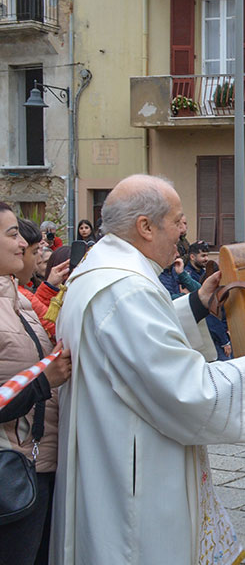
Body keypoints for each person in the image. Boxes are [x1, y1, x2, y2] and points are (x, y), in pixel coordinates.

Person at [51, 174, 245, 565]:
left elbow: (139, 347)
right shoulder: (125, 289)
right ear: (145, 227)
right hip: (135, 475)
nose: (185, 230)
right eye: (178, 220)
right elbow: (179, 387)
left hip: (109, 451)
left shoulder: (103, 269)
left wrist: (196, 303)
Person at [0, 202, 72, 565]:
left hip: (38, 464)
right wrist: (44, 383)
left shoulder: (18, 300)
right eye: (12, 235)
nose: (25, 245)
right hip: (10, 472)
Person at [15, 219, 69, 340]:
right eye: (35, 251)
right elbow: (54, 330)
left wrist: (49, 286)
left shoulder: (18, 291)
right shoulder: (17, 294)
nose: (38, 260)